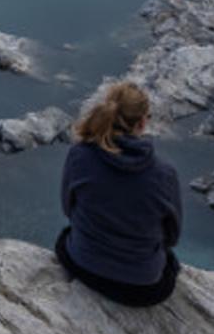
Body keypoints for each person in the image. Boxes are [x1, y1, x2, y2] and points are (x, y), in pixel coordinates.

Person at [54, 81, 182, 307]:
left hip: (84, 265)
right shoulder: (164, 173)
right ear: (142, 122)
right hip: (143, 288)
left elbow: (68, 209)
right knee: (170, 263)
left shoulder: (79, 155)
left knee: (64, 237)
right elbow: (172, 236)